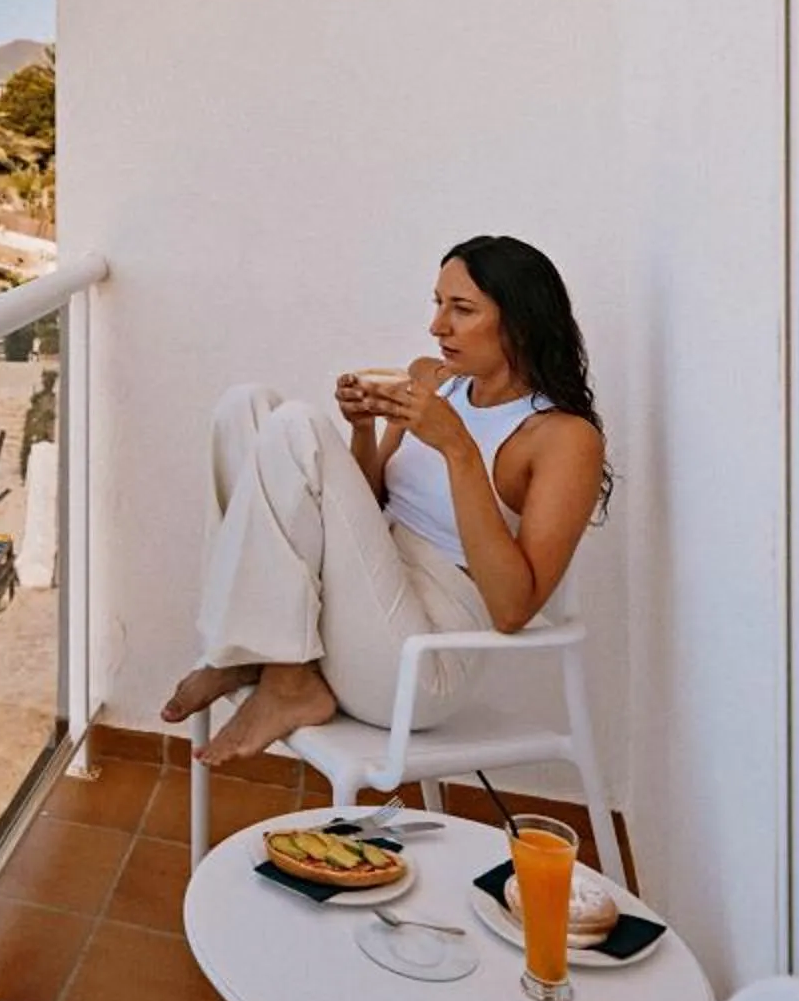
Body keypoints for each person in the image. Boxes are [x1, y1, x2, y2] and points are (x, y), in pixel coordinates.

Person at [161, 234, 610, 767]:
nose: (437, 325)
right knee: (247, 407)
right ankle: (260, 652)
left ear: (521, 322)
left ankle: (282, 676)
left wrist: (459, 448)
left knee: (296, 425)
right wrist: (362, 431)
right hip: (363, 594)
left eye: (461, 309)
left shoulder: (562, 437)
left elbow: (513, 610)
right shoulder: (433, 380)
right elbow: (369, 506)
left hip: (424, 656)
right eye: (438, 303)